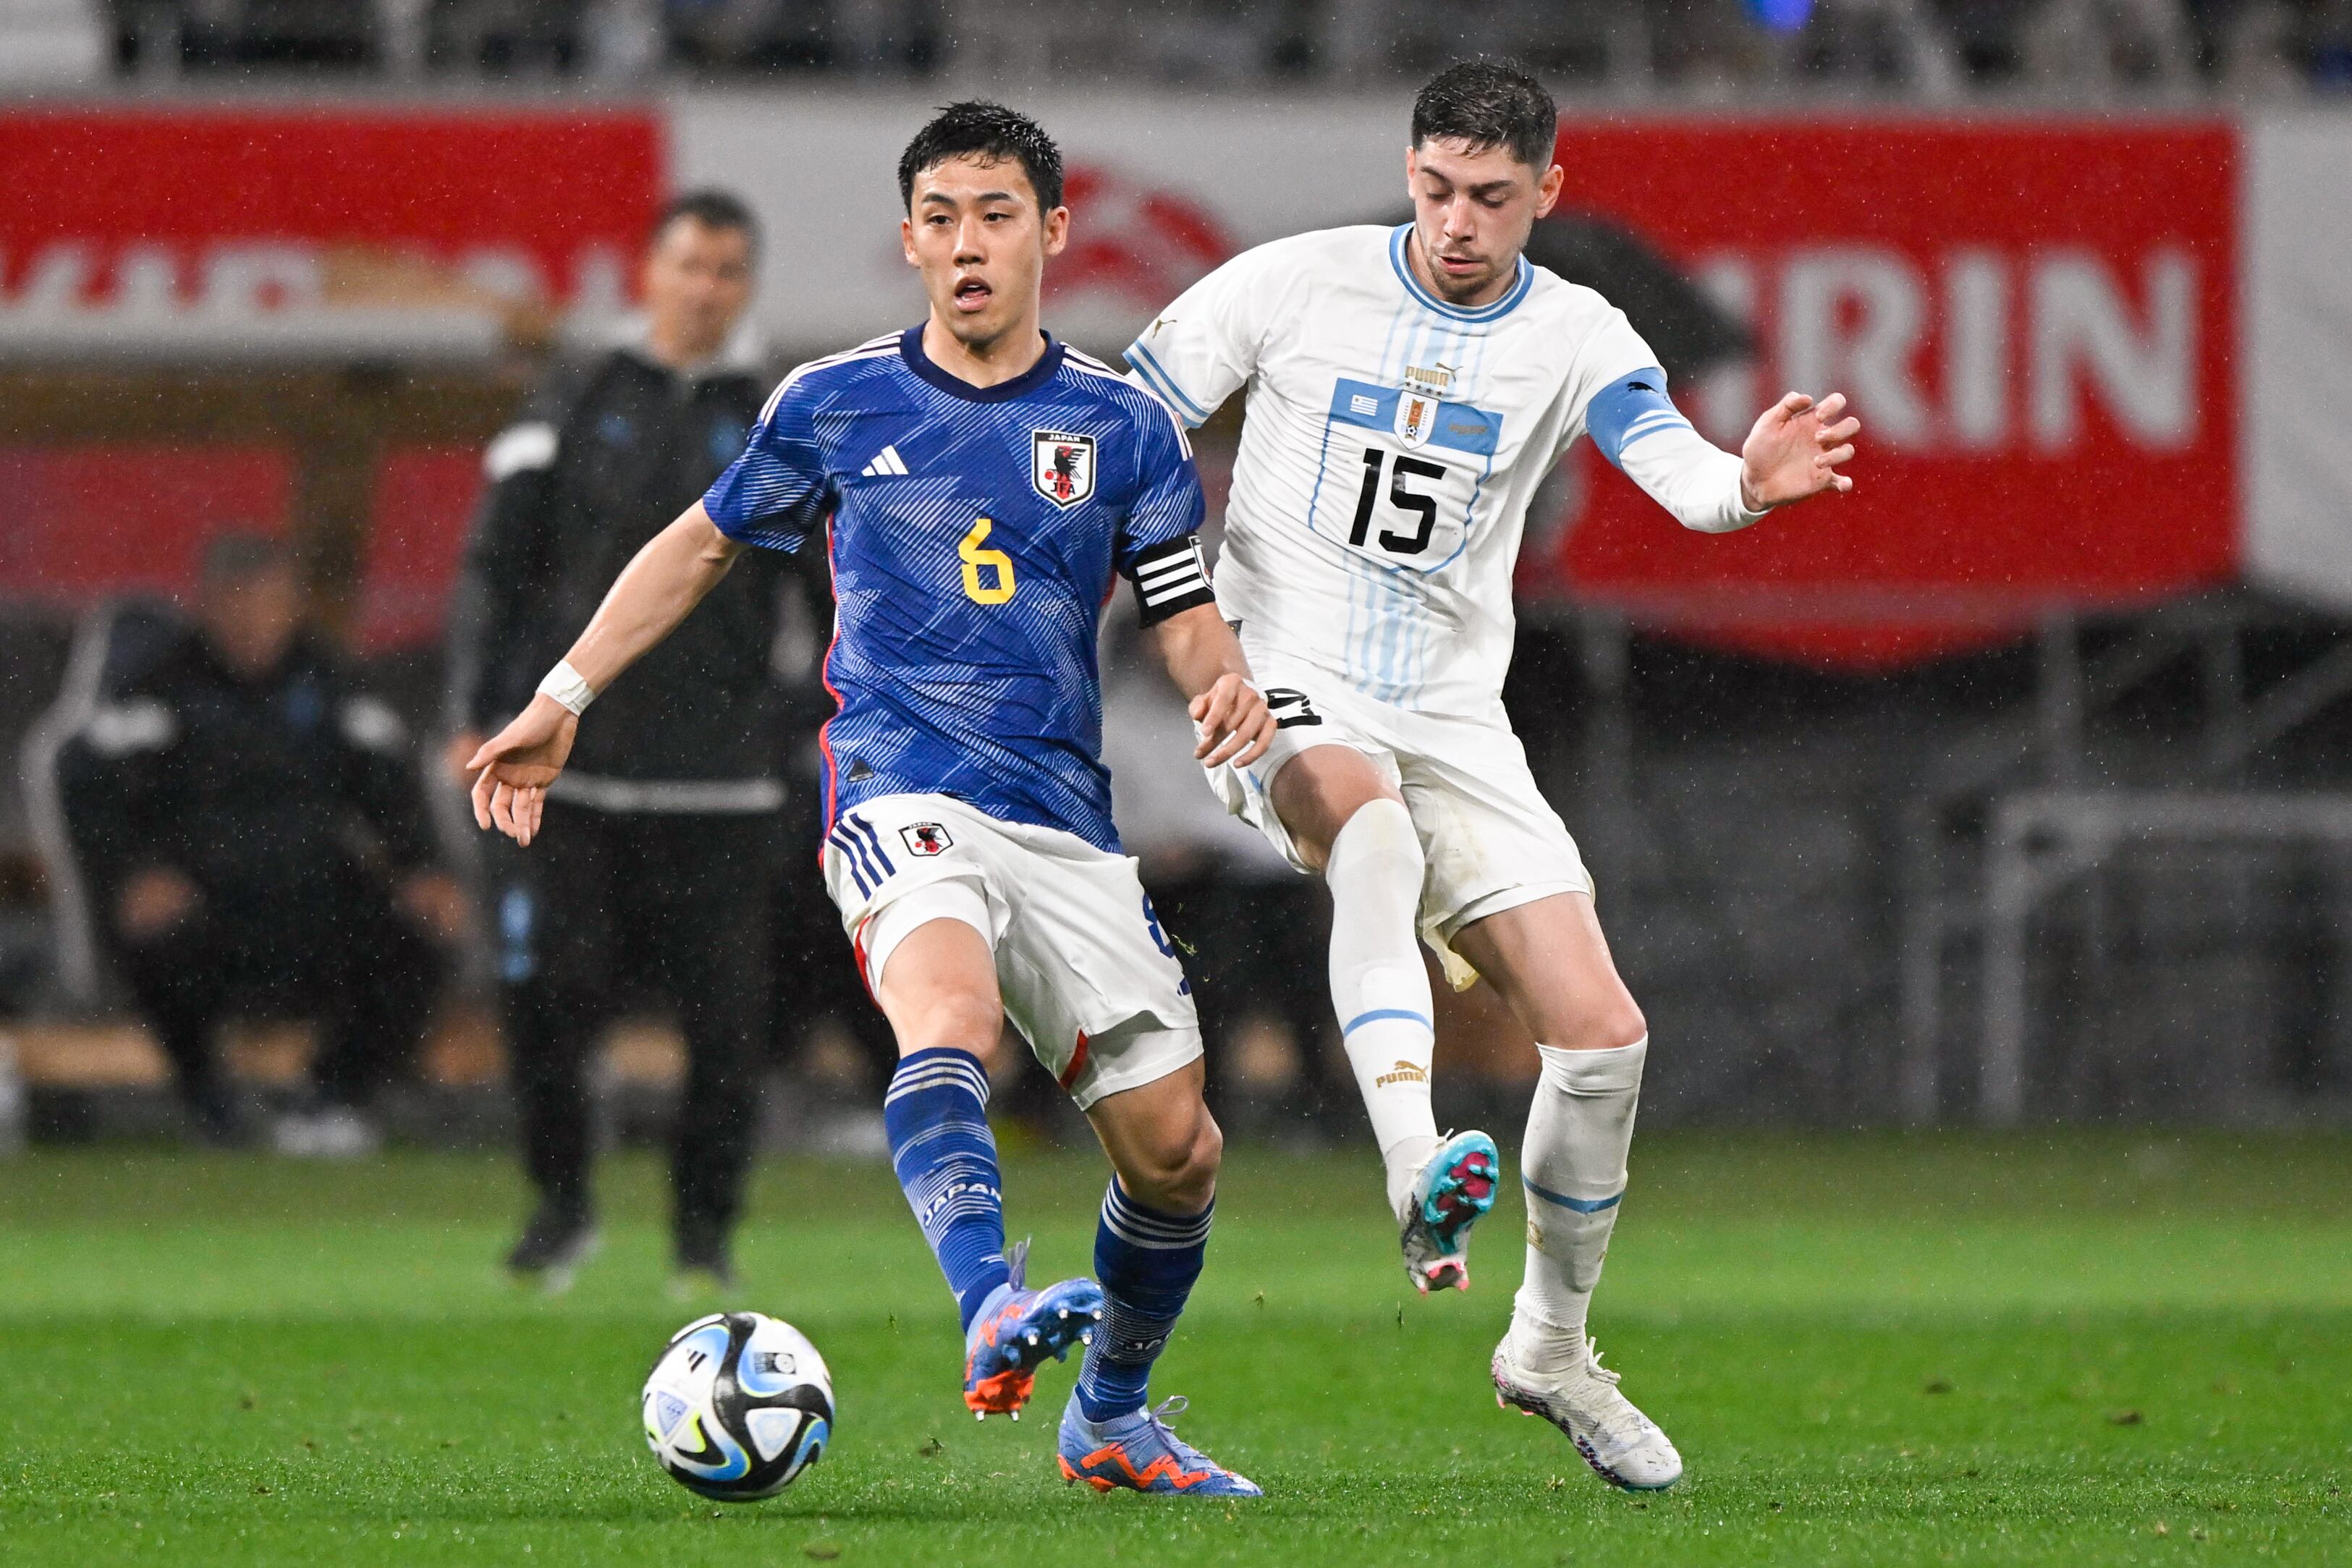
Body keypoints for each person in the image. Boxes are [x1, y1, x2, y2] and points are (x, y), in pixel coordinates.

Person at [468, 103, 1274, 1498]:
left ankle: (1113, 1418)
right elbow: (698, 548)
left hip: (1065, 816)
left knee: (1179, 1151)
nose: (969, 245)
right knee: (948, 1016)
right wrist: (565, 693)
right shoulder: (835, 401)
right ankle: (990, 1305)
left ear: (1052, 233)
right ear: (909, 240)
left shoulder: (1123, 426)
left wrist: (1227, 686)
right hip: (899, 781)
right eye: (944, 218)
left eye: (998, 215)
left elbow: (1181, 613)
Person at [1122, 59, 1863, 1491]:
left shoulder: (1576, 332)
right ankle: (1414, 1162)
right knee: (1373, 837)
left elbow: (1676, 467)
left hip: (1454, 715)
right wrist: (1193, 639)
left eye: (1491, 196)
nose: (1457, 220)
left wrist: (1743, 487)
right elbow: (1121, 429)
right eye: (1437, 187)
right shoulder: (1288, 283)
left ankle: (1549, 1346)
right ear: (1409, 171)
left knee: (1602, 1036)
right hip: (1279, 679)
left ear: (1546, 193)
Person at [445, 189, 791, 1293]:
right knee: (544, 989)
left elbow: (836, 590)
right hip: (572, 772)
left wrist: (843, 721)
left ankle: (704, 1236)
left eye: (728, 270)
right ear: (646, 272)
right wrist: (475, 700)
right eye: (689, 264)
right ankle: (560, 1205)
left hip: (722, 776)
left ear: (747, 287)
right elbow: (496, 561)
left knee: (730, 1028)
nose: (706, 287)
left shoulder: (778, 413)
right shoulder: (574, 392)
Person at [58, 533, 460, 1154]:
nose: (252, 619)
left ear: (294, 604)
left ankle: (336, 1096)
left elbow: (390, 785)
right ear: (207, 604)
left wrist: (421, 866)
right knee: (156, 933)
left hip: (314, 901)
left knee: (424, 930)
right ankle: (211, 1100)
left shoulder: (332, 686)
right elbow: (95, 791)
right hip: (206, 903)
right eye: (236, 601)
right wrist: (130, 873)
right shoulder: (162, 688)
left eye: (267, 601)